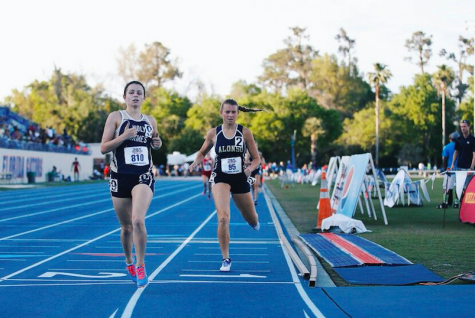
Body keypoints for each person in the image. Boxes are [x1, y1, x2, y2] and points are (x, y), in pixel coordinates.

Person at [189, 99, 263, 272]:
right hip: (220, 177)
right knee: (223, 217)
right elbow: (202, 151)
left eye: (233, 112)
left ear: (238, 113)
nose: (230, 115)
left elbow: (257, 158)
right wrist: (196, 162)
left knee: (251, 218)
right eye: (227, 112)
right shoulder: (214, 133)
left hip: (240, 177)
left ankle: (253, 219)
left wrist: (250, 168)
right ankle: (226, 258)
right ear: (221, 112)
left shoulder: (245, 132)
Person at [100, 81, 162, 288]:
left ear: (144, 98)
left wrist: (157, 142)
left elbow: (154, 141)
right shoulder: (116, 117)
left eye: (139, 93)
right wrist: (125, 136)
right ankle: (129, 262)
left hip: (143, 175)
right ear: (124, 97)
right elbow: (103, 147)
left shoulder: (150, 120)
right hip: (119, 177)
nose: (135, 96)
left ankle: (141, 264)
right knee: (126, 227)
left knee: (137, 221)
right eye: (131, 92)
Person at [451, 119, 475, 205]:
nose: (463, 128)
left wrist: (471, 168)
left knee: (468, 187)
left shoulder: (473, 139)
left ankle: (467, 204)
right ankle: (457, 202)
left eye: (464, 126)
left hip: (469, 169)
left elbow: (474, 155)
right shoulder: (459, 139)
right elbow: (456, 152)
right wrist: (453, 164)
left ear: (468, 127)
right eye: (461, 126)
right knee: (459, 186)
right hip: (459, 167)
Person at [437, 132, 459, 209]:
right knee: (458, 187)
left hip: (450, 170)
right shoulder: (460, 146)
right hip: (459, 170)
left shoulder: (446, 147)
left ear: (450, 138)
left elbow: (445, 159)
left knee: (446, 187)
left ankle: (445, 202)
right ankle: (456, 203)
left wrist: (445, 168)